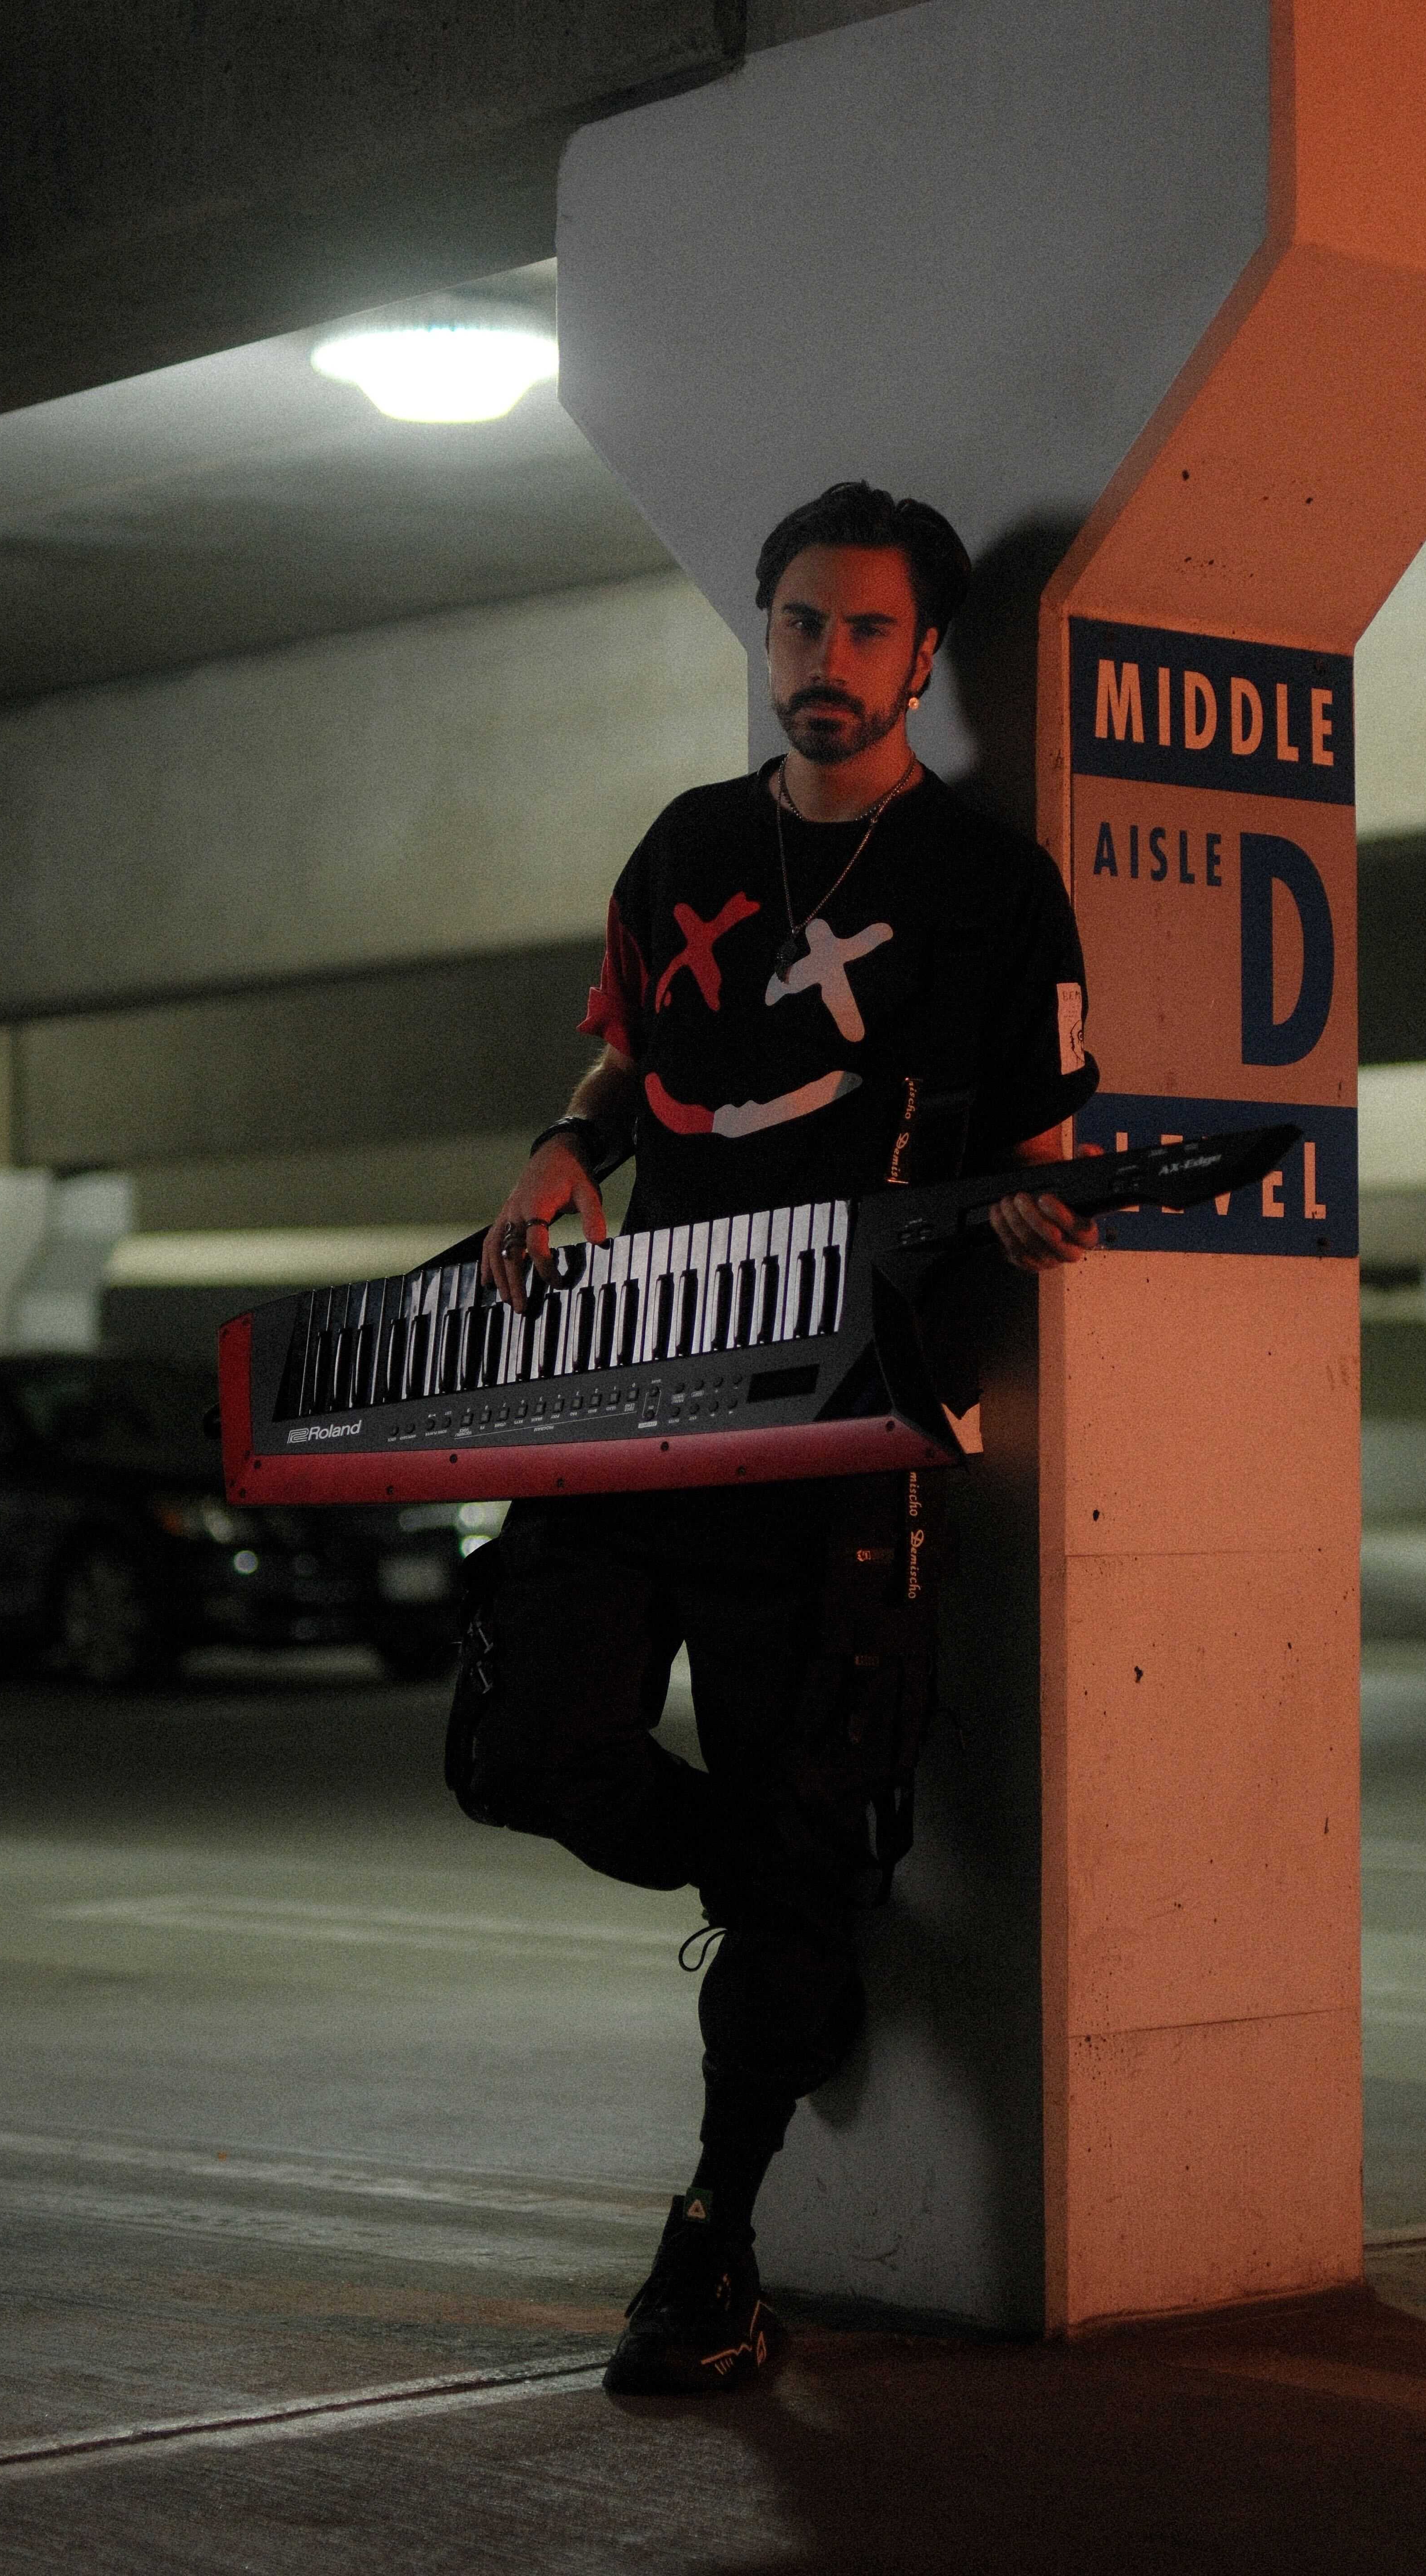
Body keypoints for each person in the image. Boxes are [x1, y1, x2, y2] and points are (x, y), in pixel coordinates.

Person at [447, 481, 1101, 2398]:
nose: (827, 665)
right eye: (801, 624)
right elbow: (638, 1063)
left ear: (924, 654)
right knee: (523, 1741)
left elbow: (1045, 1150)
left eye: (870, 634)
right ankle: (767, 1874)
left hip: (845, 1429)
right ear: (765, 624)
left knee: (809, 1867)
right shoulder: (689, 847)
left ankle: (713, 2249)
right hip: (647, 1396)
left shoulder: (989, 886)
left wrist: (1028, 1217)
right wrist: (573, 1138)